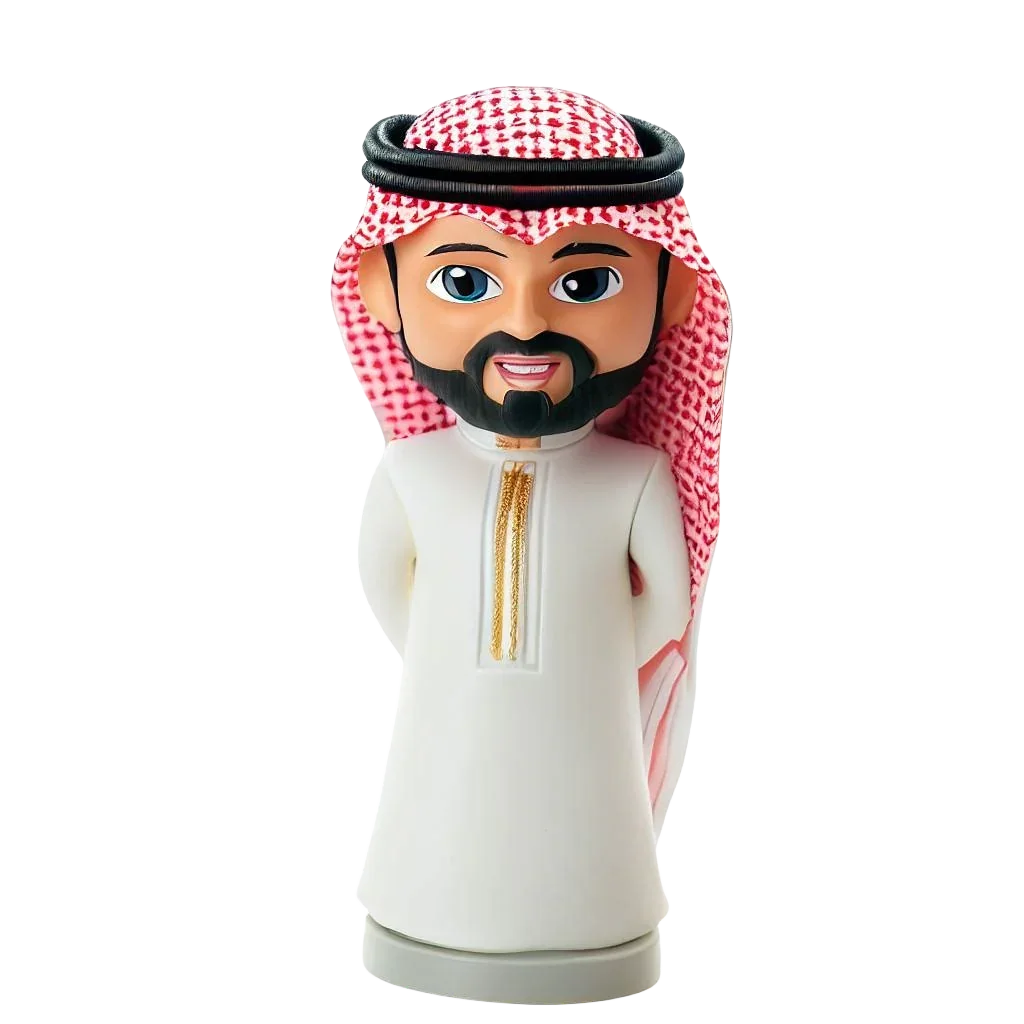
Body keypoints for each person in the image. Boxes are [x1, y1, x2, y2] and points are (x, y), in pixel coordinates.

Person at [332, 85, 731, 1001]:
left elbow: (667, 606)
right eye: (466, 282)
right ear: (382, 290)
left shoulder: (633, 478)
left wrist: (590, 661)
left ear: (670, 293)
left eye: (584, 284)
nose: (523, 324)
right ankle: (422, 916)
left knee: (588, 832)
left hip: (587, 726)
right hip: (445, 712)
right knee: (436, 806)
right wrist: (446, 653)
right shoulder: (414, 471)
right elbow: (383, 588)